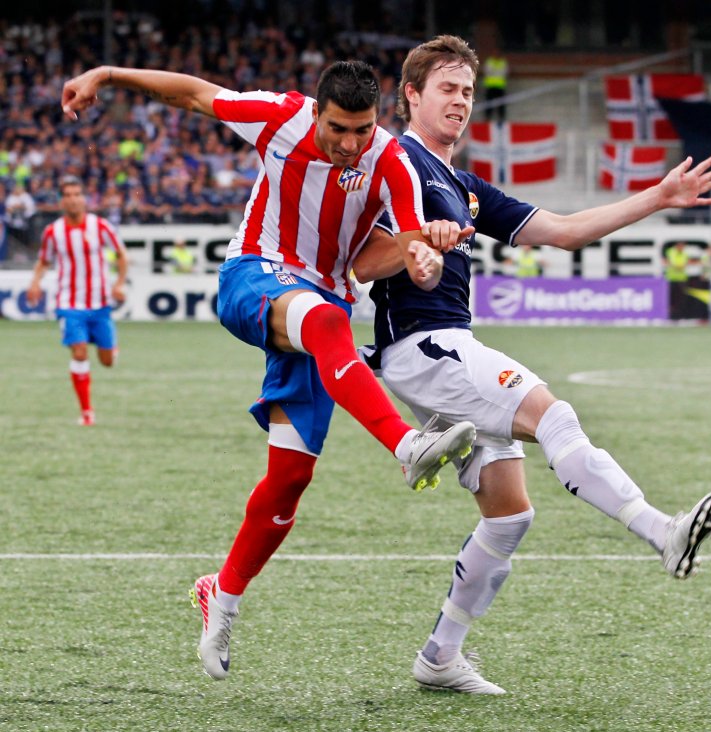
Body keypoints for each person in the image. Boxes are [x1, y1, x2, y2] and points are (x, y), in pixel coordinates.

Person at [60, 59, 478, 681]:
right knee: (333, 324)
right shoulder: (278, 116)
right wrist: (110, 74)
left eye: (361, 130)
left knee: (289, 480)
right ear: (316, 112)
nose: (349, 144)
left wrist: (425, 261)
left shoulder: (389, 159)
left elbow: (411, 250)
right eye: (338, 128)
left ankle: (220, 595)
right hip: (254, 275)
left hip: (321, 307)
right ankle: (408, 445)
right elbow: (196, 96)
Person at [357, 35, 711, 695]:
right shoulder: (395, 159)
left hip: (438, 352)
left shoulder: (462, 186)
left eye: (468, 91)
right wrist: (415, 241)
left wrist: (658, 197)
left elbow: (561, 229)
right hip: (426, 342)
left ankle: (440, 655)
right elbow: (361, 256)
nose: (460, 101)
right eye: (446, 87)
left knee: (508, 514)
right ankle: (661, 530)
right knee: (554, 413)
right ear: (410, 95)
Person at [26, 176, 128, 426]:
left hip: (100, 302)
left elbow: (121, 255)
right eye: (67, 195)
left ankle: (111, 350)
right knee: (79, 352)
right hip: (69, 303)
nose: (72, 199)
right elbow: (44, 260)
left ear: (84, 198)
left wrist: (119, 283)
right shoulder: (53, 232)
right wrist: (35, 282)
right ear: (62, 201)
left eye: (76, 194)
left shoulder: (101, 226)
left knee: (106, 362)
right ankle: (86, 412)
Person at [482, 47, 508, 123]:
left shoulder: (503, 62)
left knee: (501, 104)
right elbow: (487, 72)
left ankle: (501, 117)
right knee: (489, 103)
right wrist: (497, 73)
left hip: (500, 86)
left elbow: (504, 73)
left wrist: (494, 72)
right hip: (490, 86)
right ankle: (487, 117)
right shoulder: (489, 62)